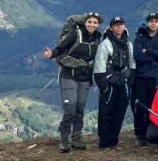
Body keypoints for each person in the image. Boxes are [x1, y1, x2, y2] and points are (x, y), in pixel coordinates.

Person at [42, 12, 103, 153]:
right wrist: (51, 54)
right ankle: (64, 139)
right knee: (70, 109)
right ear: (85, 22)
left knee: (80, 109)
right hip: (69, 75)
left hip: (85, 77)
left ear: (98, 24)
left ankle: (76, 138)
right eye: (89, 22)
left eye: (95, 22)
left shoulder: (97, 37)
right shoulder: (76, 34)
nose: (92, 25)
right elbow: (61, 48)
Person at [93, 16, 136, 149]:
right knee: (106, 112)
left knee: (120, 112)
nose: (119, 27)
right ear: (111, 28)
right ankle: (104, 141)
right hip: (109, 83)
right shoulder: (105, 44)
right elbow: (99, 65)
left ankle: (114, 140)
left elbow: (132, 63)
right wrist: (104, 87)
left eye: (121, 24)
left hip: (123, 82)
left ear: (124, 26)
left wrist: (130, 80)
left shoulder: (128, 44)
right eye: (116, 25)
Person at [132, 12, 158, 147]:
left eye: (156, 21)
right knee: (140, 107)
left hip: (156, 78)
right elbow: (138, 56)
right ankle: (140, 134)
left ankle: (150, 133)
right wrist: (155, 56)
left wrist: (148, 51)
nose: (153, 23)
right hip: (141, 78)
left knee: (154, 107)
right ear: (147, 23)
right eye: (151, 21)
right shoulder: (139, 38)